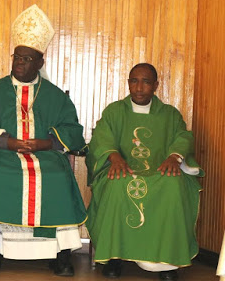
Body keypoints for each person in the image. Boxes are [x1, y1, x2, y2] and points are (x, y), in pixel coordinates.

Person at [0, 4, 87, 276]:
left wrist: (47, 143)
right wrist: (8, 143)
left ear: (40, 63)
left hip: (45, 155)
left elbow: (73, 130)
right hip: (3, 153)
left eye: (27, 59)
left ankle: (60, 253)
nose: (19, 62)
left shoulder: (55, 96)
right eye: (16, 57)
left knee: (56, 175)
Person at [85, 63, 204, 280]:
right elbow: (102, 137)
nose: (139, 88)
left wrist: (174, 157)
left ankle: (166, 262)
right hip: (122, 169)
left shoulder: (169, 114)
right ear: (128, 83)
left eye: (146, 82)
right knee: (116, 183)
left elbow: (183, 137)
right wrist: (114, 157)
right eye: (134, 81)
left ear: (156, 85)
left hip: (159, 173)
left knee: (173, 185)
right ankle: (114, 256)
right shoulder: (114, 111)